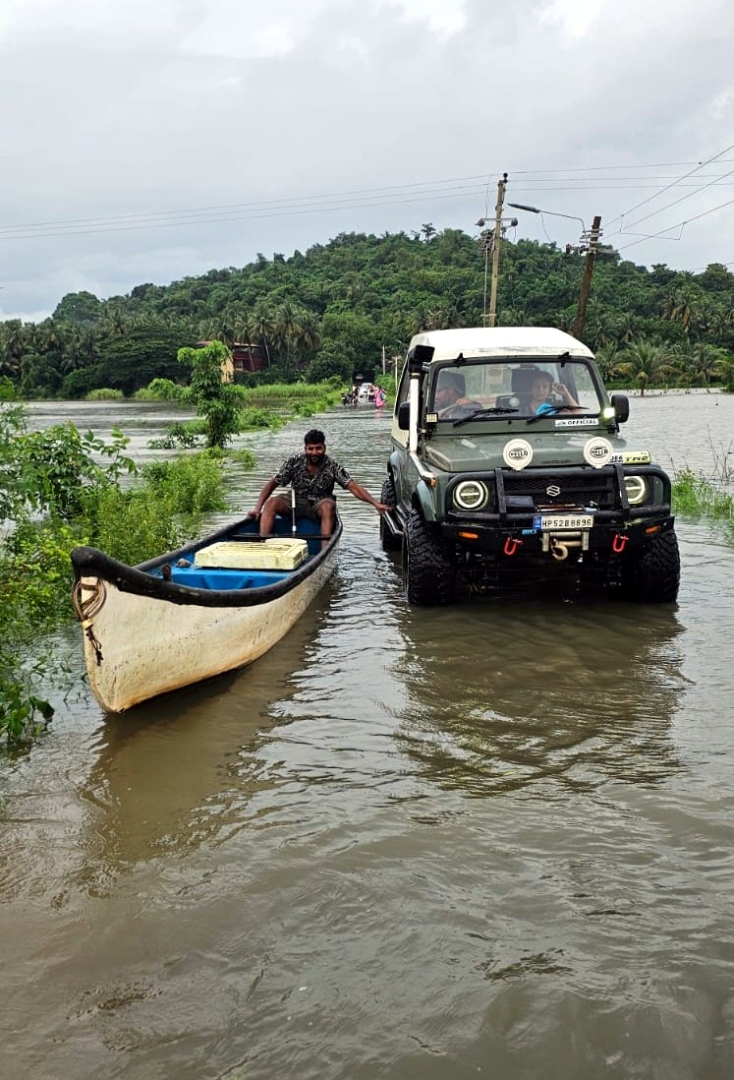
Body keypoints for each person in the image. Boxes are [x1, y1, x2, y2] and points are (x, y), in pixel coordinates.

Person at [249, 428, 390, 545]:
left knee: (328, 507)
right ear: (305, 449)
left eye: (318, 448)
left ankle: (324, 550)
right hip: (296, 500)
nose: (315, 453)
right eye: (311, 449)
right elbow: (272, 483)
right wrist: (257, 508)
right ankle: (263, 543)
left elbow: (353, 487)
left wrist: (375, 503)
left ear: (324, 448)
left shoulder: (332, 466)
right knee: (271, 503)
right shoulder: (294, 462)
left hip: (321, 502)